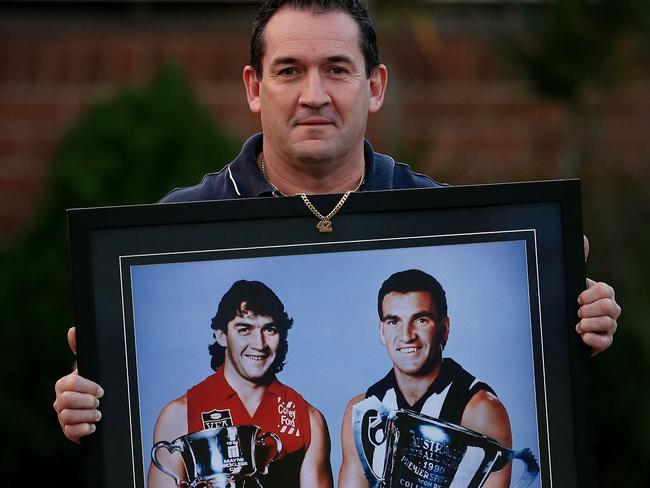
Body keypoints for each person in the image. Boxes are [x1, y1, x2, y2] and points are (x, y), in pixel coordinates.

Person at [53, 0, 620, 462]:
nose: (314, 95)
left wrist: (568, 328)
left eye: (337, 69)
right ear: (255, 88)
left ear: (375, 86)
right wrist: (93, 409)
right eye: (290, 70)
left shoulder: (442, 219)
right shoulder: (178, 227)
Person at [148, 279, 332, 487]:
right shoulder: (179, 415)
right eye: (244, 329)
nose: (259, 344)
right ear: (222, 336)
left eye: (269, 329)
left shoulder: (306, 418)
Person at [339, 269, 513, 488]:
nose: (406, 335)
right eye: (394, 322)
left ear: (444, 328)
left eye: (420, 320)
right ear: (381, 331)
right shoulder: (362, 411)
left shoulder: (480, 410)